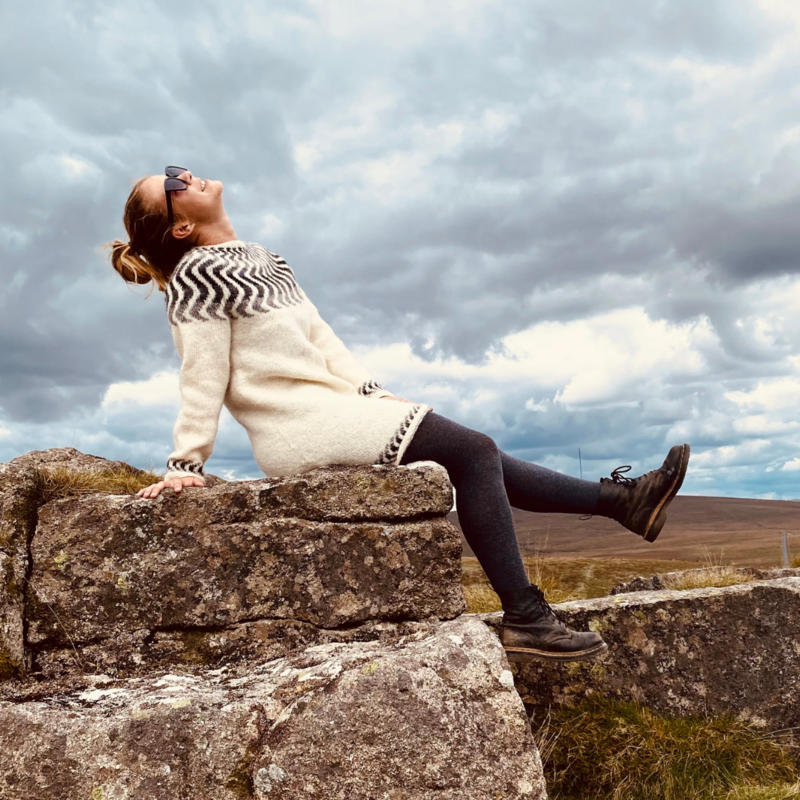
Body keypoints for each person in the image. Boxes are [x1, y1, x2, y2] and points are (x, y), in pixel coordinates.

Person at [106, 166, 690, 664]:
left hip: (333, 406)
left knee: (480, 456)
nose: (187, 174)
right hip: (296, 426)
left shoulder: (264, 259)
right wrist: (187, 459)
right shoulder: (195, 278)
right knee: (475, 450)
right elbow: (200, 373)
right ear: (182, 225)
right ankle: (527, 615)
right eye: (175, 183)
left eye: (179, 169)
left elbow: (321, 336)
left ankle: (624, 505)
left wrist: (369, 390)